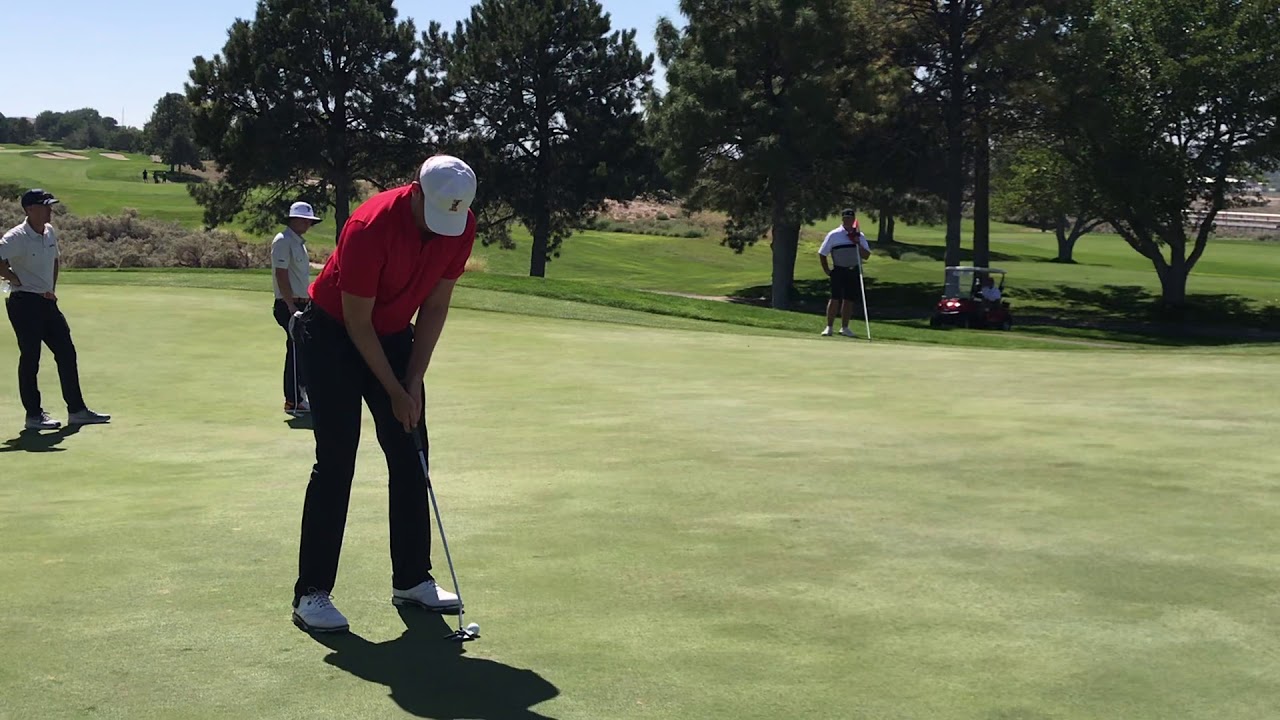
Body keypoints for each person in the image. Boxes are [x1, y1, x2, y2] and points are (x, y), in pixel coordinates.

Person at [289, 155, 478, 633]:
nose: (441, 231)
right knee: (336, 461)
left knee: (412, 452)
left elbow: (435, 307)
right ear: (414, 191)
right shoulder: (370, 224)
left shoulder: (460, 224)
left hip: (393, 337)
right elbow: (356, 321)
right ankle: (311, 593)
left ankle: (412, 579)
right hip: (332, 333)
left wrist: (412, 383)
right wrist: (393, 388)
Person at [0, 189, 110, 430]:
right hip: (24, 303)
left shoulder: (49, 231)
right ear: (30, 210)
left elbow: (55, 260)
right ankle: (33, 416)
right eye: (45, 206)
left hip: (46, 302)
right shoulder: (17, 236)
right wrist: (11, 277)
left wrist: (51, 287)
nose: (51, 210)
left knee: (66, 353)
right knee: (31, 358)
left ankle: (77, 410)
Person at [271, 201, 321, 414]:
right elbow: (281, 274)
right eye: (306, 220)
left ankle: (300, 394)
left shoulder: (298, 243)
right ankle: (293, 400)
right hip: (288, 305)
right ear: (296, 219)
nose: (309, 224)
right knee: (295, 350)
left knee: (303, 350)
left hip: (303, 303)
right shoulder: (283, 241)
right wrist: (291, 307)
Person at [817, 208, 871, 337]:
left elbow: (866, 256)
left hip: (853, 270)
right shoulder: (834, 235)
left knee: (849, 300)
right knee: (835, 298)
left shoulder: (859, 235)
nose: (848, 220)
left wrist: (857, 243)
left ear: (854, 220)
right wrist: (827, 270)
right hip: (839, 269)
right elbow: (822, 253)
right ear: (842, 219)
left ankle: (844, 327)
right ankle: (829, 327)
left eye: (851, 218)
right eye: (846, 218)